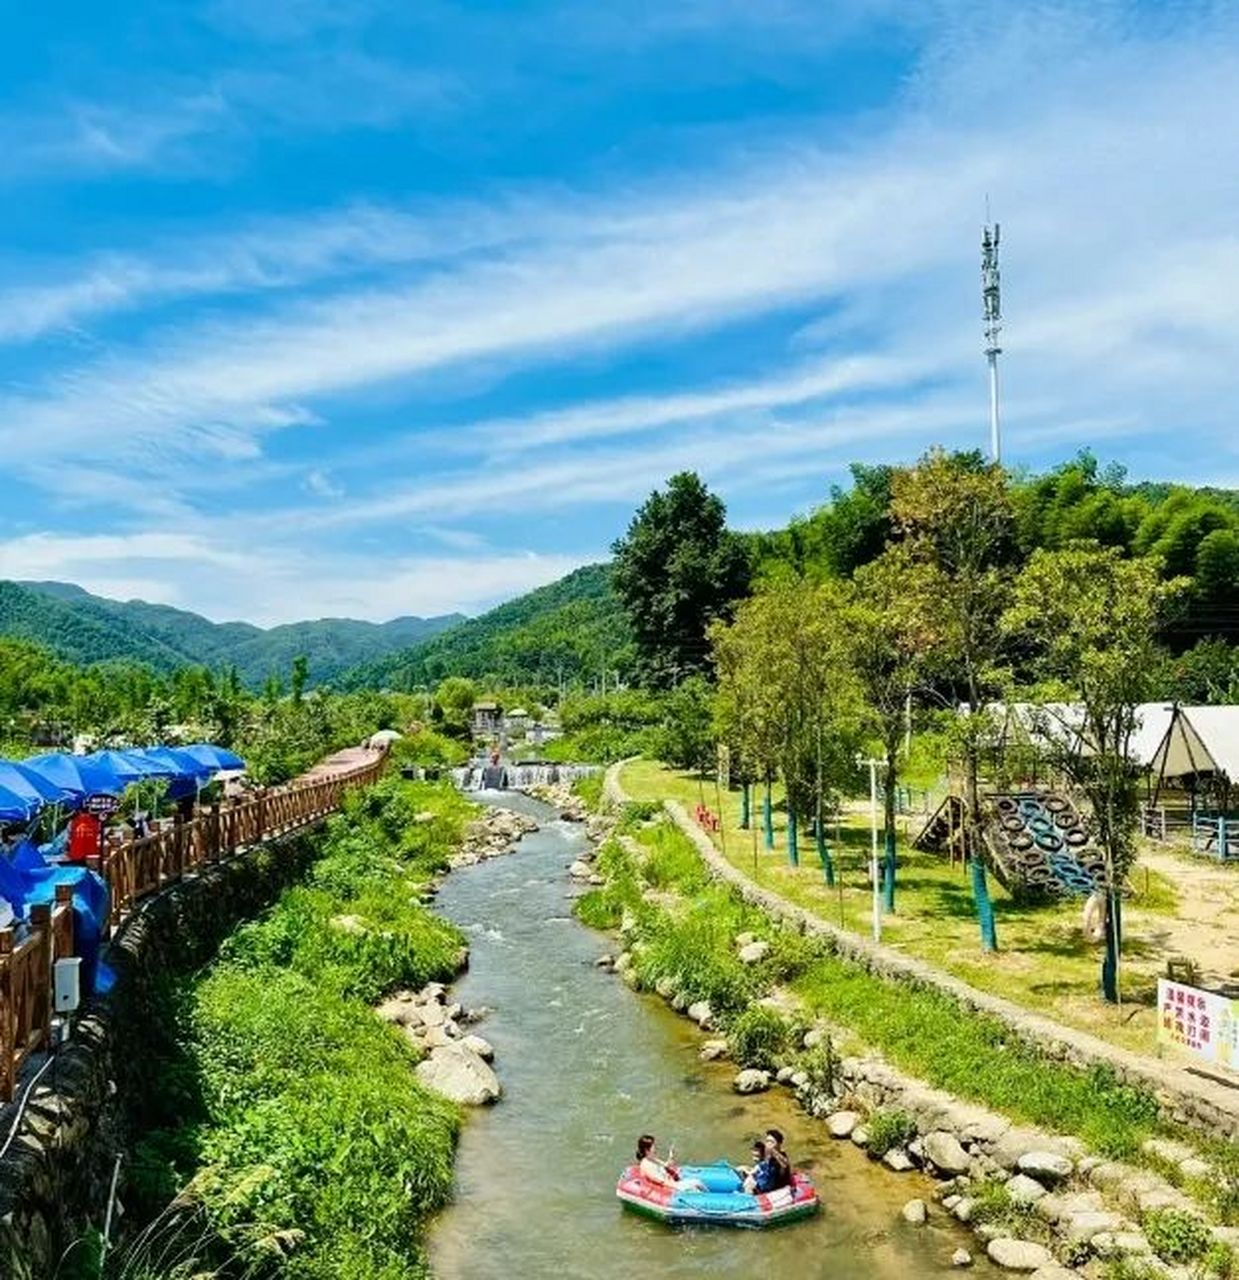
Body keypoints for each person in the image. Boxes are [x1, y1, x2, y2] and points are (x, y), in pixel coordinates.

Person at [635, 1135, 705, 1191]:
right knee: (696, 1183)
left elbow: (666, 1165)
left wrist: (671, 1156)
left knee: (697, 1183)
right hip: (668, 1188)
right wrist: (678, 1187)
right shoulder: (646, 1165)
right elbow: (661, 1182)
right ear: (647, 1150)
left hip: (671, 1183)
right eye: (653, 1146)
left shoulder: (652, 1159)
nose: (655, 1147)